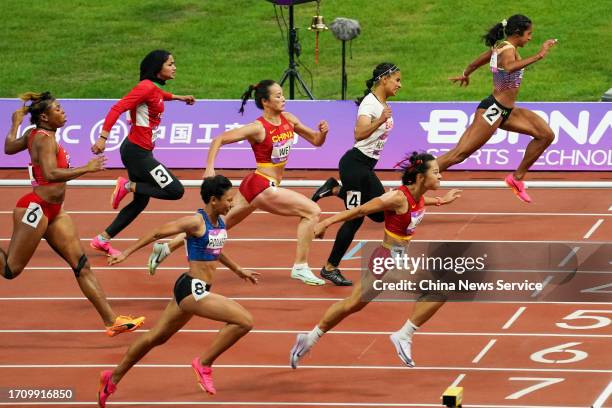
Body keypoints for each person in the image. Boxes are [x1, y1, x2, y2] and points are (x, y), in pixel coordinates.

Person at [146, 80, 329, 285]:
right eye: (277, 96)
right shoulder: (257, 128)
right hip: (262, 185)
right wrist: (209, 167)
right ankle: (300, 266)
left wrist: (322, 132)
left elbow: (315, 141)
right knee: (312, 211)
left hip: (255, 185)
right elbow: (219, 139)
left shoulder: (289, 119)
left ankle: (167, 247)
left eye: (282, 94)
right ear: (265, 101)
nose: (283, 98)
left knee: (217, 227)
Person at [97, 175, 259, 407]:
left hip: (194, 288)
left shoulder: (219, 223)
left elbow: (215, 250)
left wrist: (238, 269)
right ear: (213, 200)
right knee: (244, 321)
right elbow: (157, 233)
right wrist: (125, 253)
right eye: (228, 200)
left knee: (156, 337)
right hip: (192, 289)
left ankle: (111, 379)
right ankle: (204, 363)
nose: (231, 204)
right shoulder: (196, 222)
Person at [290, 152, 461, 368]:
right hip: (389, 261)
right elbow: (360, 209)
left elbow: (418, 201)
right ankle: (404, 335)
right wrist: (326, 223)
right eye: (436, 172)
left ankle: (310, 338)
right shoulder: (396, 198)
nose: (441, 177)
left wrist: (440, 201)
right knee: (439, 290)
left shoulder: (416, 194)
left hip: (386, 260)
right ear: (420, 177)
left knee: (352, 305)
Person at [1, 93, 144, 336]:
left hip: (55, 211)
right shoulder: (44, 139)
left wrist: (15, 122)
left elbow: (8, 147)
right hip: (35, 207)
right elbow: (50, 173)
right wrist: (86, 169)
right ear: (45, 117)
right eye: (58, 109)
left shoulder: (34, 134)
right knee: (10, 270)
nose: (63, 112)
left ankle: (112, 321)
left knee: (81, 265)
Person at [440, 14, 557, 203]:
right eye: (529, 34)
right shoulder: (507, 50)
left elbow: (476, 62)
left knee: (546, 135)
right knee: (458, 154)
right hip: (493, 109)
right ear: (518, 33)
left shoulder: (500, 47)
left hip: (508, 111)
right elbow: (510, 67)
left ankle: (516, 178)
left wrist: (465, 73)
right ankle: (414, 180)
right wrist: (540, 55)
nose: (530, 38)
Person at [90, 49, 196, 255]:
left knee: (141, 200)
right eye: (170, 64)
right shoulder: (145, 88)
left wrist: (180, 97)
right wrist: (103, 138)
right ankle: (127, 185)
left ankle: (102, 239)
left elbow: (160, 95)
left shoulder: (153, 88)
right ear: (158, 68)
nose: (174, 67)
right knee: (175, 191)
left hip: (139, 151)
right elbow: (117, 108)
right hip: (137, 153)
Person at [310, 62, 401, 286]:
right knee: (355, 217)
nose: (400, 84)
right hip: (354, 167)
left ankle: (334, 188)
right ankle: (330, 268)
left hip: (364, 168)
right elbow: (359, 133)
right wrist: (380, 120)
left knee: (379, 213)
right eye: (397, 80)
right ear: (384, 79)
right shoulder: (371, 104)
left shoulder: (381, 102)